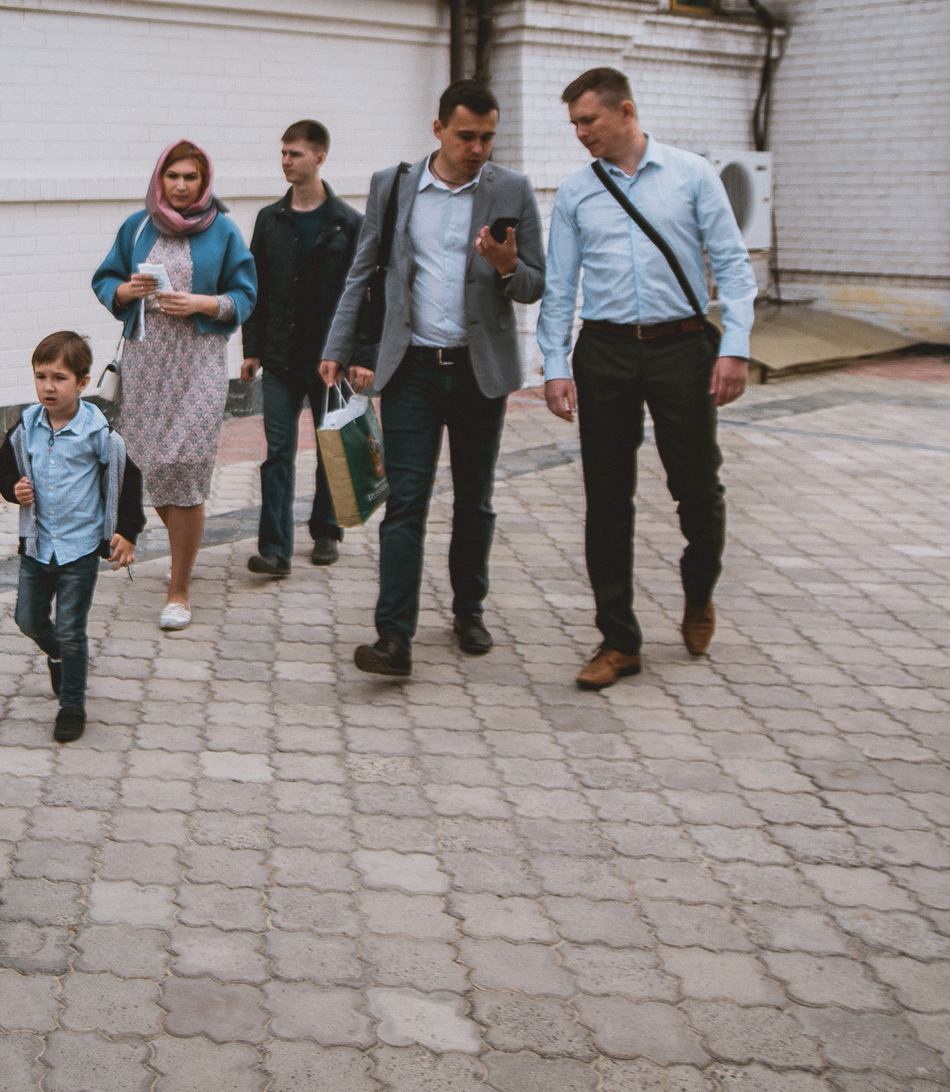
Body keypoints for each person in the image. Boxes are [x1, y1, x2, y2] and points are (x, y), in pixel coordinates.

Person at [536, 67, 754, 691]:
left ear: (625, 112)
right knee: (606, 497)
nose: (580, 134)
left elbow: (734, 269)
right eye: (574, 123)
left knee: (696, 485)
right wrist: (555, 366)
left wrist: (733, 349)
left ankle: (698, 592)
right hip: (602, 351)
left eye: (589, 121)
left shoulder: (692, 175)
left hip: (681, 349)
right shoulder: (577, 193)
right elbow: (559, 286)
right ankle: (618, 640)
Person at [320, 82, 543, 679]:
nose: (478, 148)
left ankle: (469, 610)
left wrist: (507, 267)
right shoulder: (392, 186)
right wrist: (337, 347)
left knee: (475, 501)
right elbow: (362, 269)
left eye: (488, 137)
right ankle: (393, 637)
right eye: (467, 135)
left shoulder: (511, 190)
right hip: (411, 369)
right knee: (405, 505)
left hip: (479, 371)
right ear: (438, 127)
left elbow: (534, 285)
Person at [91, 140, 258, 632]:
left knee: (184, 467)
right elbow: (105, 280)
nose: (182, 186)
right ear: (159, 179)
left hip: (199, 364)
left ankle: (179, 590)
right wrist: (125, 291)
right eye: (173, 176)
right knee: (149, 466)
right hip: (147, 364)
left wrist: (204, 304)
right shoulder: (137, 226)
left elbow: (245, 294)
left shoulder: (223, 229)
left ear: (204, 183)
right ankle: (186, 547)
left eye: (191, 177)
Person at [0, 330, 146, 743]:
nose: (48, 387)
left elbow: (128, 478)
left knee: (73, 627)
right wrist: (13, 489)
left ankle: (72, 704)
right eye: (41, 377)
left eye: (59, 378)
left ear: (82, 382)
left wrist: (126, 532)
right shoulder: (26, 427)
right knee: (27, 618)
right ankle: (56, 653)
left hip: (79, 546)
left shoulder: (98, 432)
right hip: (38, 545)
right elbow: (0, 467)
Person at [239, 120, 361, 577]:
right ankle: (275, 550)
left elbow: (364, 295)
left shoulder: (349, 224)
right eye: (284, 152)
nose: (286, 160)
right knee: (278, 452)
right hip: (280, 356)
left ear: (320, 158)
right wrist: (252, 349)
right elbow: (257, 288)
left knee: (334, 444)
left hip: (332, 359)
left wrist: (358, 356)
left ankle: (327, 530)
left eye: (295, 153)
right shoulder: (271, 220)